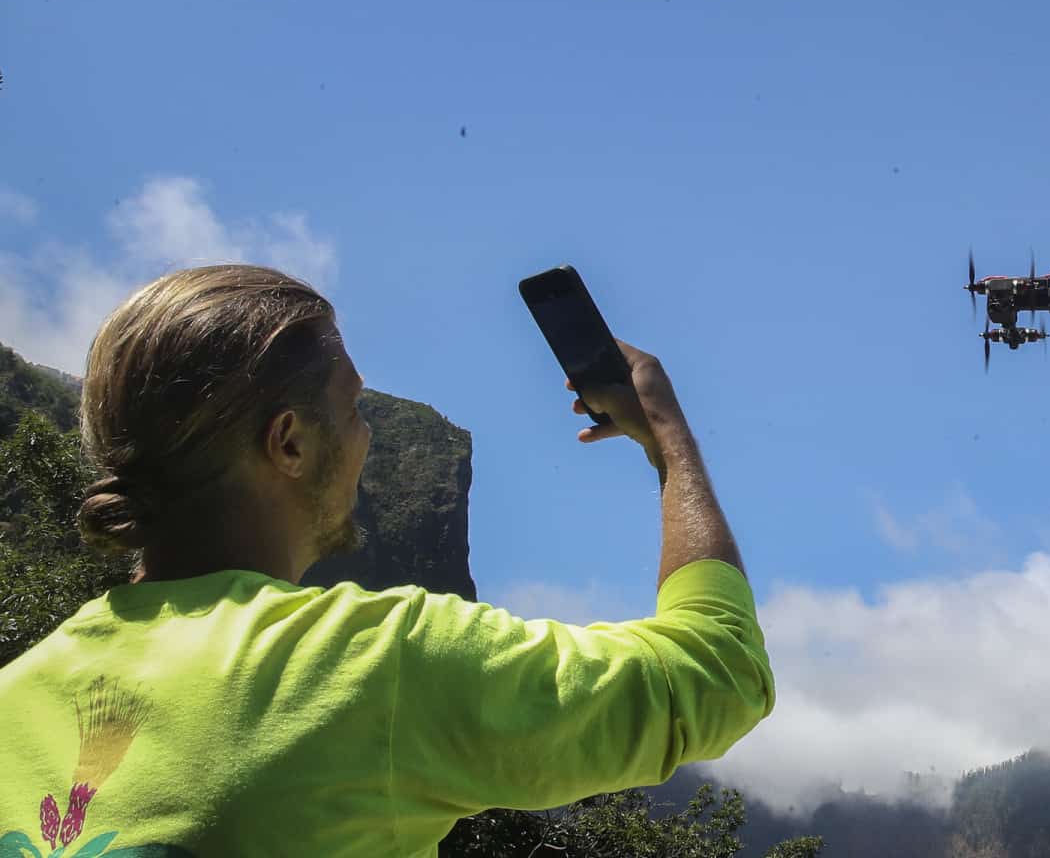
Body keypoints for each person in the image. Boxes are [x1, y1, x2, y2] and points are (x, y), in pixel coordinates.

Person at [0, 264, 773, 856]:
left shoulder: (17, 693)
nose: (367, 437)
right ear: (291, 443)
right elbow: (715, 673)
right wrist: (667, 439)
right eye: (353, 408)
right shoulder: (371, 665)